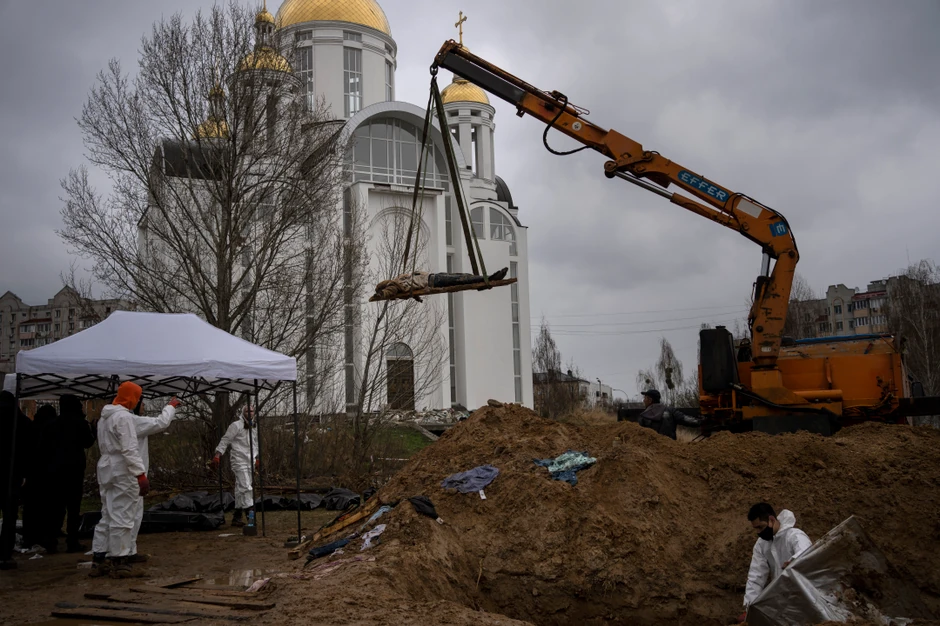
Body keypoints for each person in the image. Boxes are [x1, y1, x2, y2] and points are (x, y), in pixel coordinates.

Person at [89, 382, 149, 579]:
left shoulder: (104, 418)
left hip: (106, 467)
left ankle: (99, 559)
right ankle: (120, 561)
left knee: (107, 513)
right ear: (132, 397)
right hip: (122, 469)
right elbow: (129, 448)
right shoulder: (123, 417)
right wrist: (140, 474)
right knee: (123, 515)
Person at [127, 396, 180, 561]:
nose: (143, 405)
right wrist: (170, 406)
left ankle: (125, 551)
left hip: (128, 474)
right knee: (130, 515)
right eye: (141, 402)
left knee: (129, 514)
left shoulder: (123, 421)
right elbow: (161, 422)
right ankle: (124, 553)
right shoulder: (133, 422)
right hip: (132, 475)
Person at [740, 503, 813, 621]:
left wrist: (793, 562)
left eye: (761, 527)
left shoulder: (794, 535)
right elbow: (756, 577)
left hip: (806, 597)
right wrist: (749, 608)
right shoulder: (761, 545)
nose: (759, 532)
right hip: (783, 602)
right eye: (756, 529)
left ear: (771, 519)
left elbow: (806, 554)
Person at [54, 395, 95, 553]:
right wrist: (93, 430)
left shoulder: (54, 424)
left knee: (57, 505)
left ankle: (52, 540)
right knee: (73, 506)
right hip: (74, 469)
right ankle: (72, 541)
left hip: (56, 469)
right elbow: (88, 442)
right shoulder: (80, 423)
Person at [1, 391, 33, 570]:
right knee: (9, 516)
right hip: (12, 474)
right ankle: (5, 554)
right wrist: (25, 474)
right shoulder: (21, 422)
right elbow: (29, 450)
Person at [212, 405, 259, 527]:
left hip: (250, 461)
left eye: (252, 411)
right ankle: (251, 518)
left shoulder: (254, 426)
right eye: (247, 411)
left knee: (240, 489)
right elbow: (225, 440)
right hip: (239, 460)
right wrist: (218, 454)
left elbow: (255, 443)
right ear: (243, 412)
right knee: (246, 488)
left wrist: (257, 457)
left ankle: (236, 517)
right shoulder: (235, 426)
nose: (250, 413)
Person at [22, 404, 60, 553]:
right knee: (49, 508)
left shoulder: (31, 426)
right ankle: (48, 539)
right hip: (49, 474)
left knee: (31, 509)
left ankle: (30, 538)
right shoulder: (53, 428)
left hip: (32, 475)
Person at [374, 267, 509, 300]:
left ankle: (486, 279)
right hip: (433, 281)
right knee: (461, 280)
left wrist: (416, 298)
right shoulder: (393, 285)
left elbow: (409, 291)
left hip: (433, 277)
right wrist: (381, 294)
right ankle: (488, 279)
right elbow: (391, 292)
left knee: (462, 276)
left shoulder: (398, 280)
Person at [636, 389, 701, 439]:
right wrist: (701, 422)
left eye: (645, 398)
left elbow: (639, 436)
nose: (644, 400)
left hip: (651, 453)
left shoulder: (643, 416)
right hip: (670, 450)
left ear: (650, 400)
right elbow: (685, 419)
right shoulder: (670, 411)